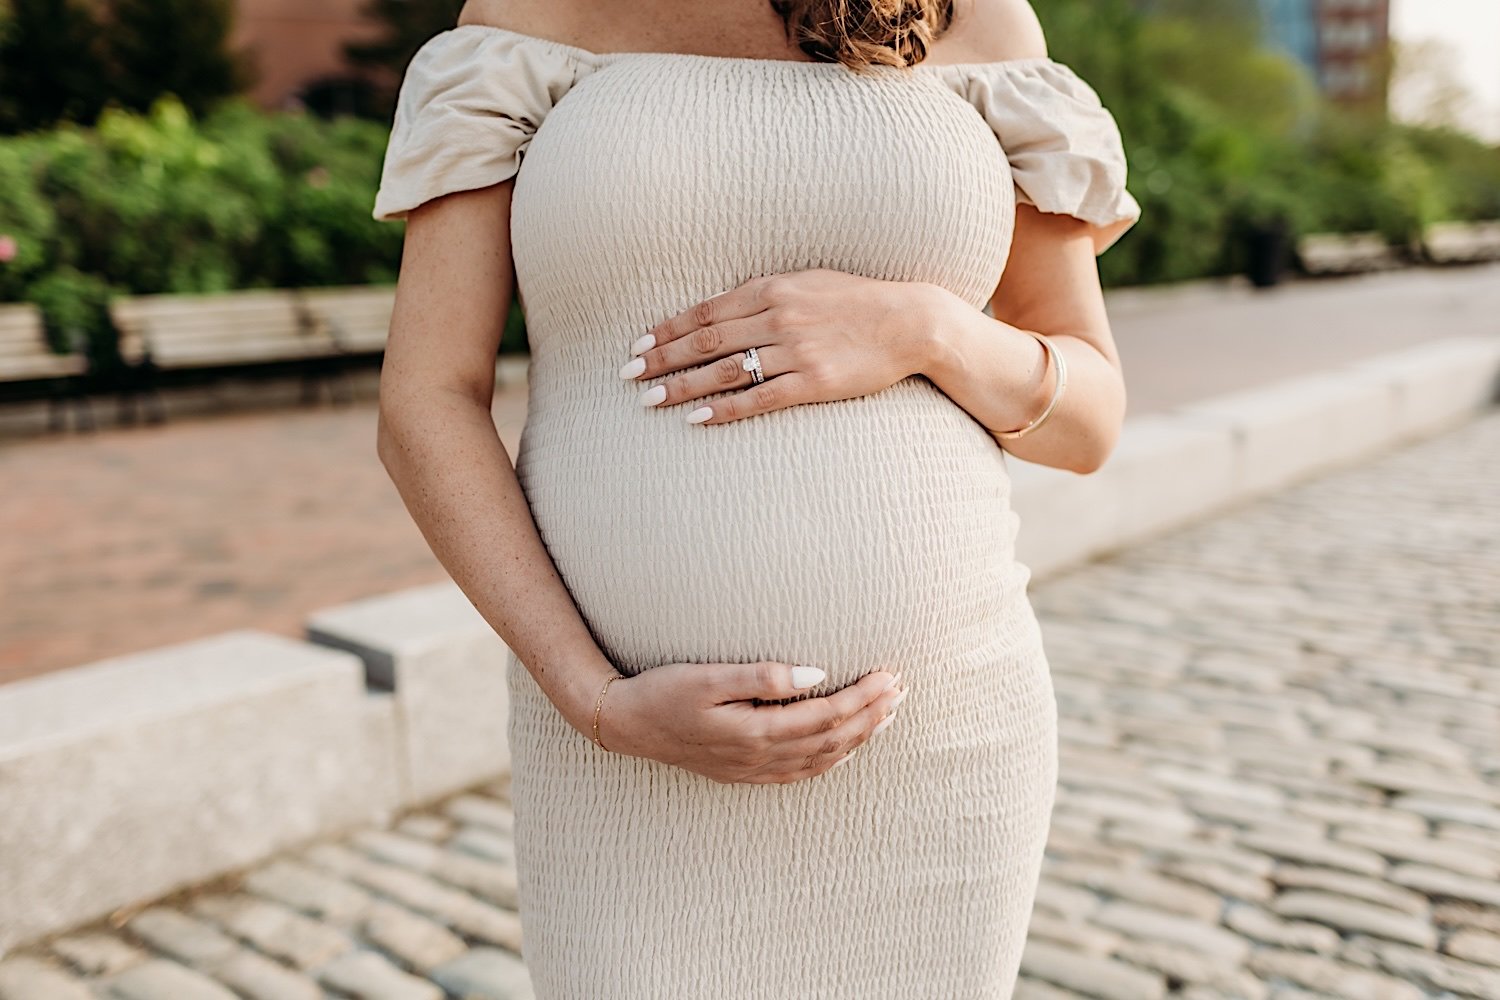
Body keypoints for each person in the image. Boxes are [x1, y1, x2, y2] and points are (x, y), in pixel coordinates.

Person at [371, 0, 1140, 995]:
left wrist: (925, 328)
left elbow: (1093, 417)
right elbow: (424, 402)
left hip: (941, 747)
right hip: (626, 761)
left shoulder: (980, 23)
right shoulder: (529, 15)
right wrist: (597, 702)